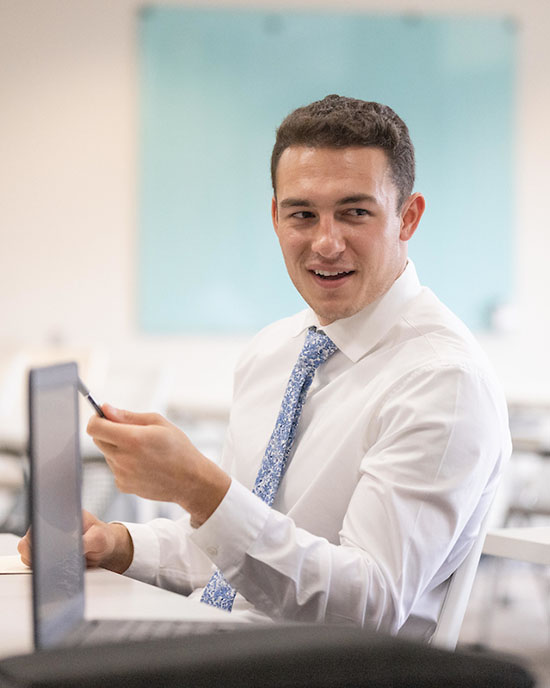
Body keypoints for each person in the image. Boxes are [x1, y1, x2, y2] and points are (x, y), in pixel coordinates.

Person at [19, 95, 511, 638]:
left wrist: (201, 489)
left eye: (355, 212)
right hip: (219, 638)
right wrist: (118, 544)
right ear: (276, 217)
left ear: (407, 218)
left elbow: (367, 606)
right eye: (303, 214)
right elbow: (238, 558)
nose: (326, 242)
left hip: (324, 670)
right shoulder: (273, 351)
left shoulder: (443, 380)